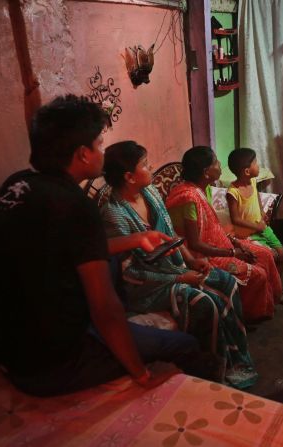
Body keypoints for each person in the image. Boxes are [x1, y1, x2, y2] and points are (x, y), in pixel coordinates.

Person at [0, 95, 220, 397]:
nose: (103, 151)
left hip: (4, 352)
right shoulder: (77, 206)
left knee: (110, 261)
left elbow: (67, 246)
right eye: (100, 144)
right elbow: (105, 310)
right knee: (185, 346)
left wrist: (134, 239)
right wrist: (141, 374)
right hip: (49, 366)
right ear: (83, 154)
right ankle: (208, 398)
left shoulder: (17, 185)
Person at [100, 141, 258, 389]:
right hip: (148, 285)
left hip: (176, 266)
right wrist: (179, 278)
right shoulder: (114, 214)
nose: (151, 167)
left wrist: (191, 260)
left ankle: (238, 357)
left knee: (227, 282)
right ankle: (216, 368)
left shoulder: (150, 193)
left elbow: (172, 232)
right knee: (205, 302)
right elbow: (129, 273)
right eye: (145, 164)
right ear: (129, 177)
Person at [166, 146, 282, 322]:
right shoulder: (189, 198)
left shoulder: (203, 189)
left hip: (219, 243)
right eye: (215, 162)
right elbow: (195, 244)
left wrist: (236, 243)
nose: (220, 165)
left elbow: (212, 227)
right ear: (206, 172)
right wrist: (233, 252)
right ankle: (245, 315)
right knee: (258, 274)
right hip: (201, 255)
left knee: (264, 254)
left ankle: (270, 300)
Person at [226, 147, 283, 276]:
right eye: (255, 163)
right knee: (269, 258)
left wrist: (262, 212)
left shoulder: (253, 181)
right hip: (248, 235)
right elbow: (235, 219)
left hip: (262, 227)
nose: (258, 166)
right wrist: (256, 226)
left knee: (282, 254)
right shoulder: (233, 192)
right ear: (247, 171)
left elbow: (257, 197)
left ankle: (277, 287)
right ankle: (269, 285)